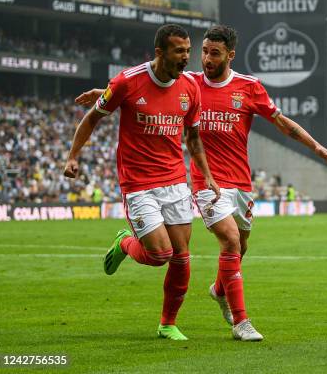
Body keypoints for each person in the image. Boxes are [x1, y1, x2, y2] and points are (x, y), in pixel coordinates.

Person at [74, 25, 327, 342]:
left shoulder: (248, 87)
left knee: (240, 245)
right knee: (226, 241)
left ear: (230, 55)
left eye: (214, 53)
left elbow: (282, 123)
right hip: (200, 181)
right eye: (203, 52)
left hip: (239, 182)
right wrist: (103, 94)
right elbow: (145, 83)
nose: (205, 59)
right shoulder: (189, 80)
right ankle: (241, 322)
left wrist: (317, 147)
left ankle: (218, 290)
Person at [67, 24, 219, 341]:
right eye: (179, 51)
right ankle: (125, 242)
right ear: (160, 52)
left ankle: (167, 323)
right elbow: (93, 116)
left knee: (181, 255)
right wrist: (73, 156)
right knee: (159, 255)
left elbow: (192, 137)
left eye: (188, 51)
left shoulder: (189, 88)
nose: (186, 58)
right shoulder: (127, 81)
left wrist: (207, 175)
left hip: (175, 180)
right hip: (138, 183)